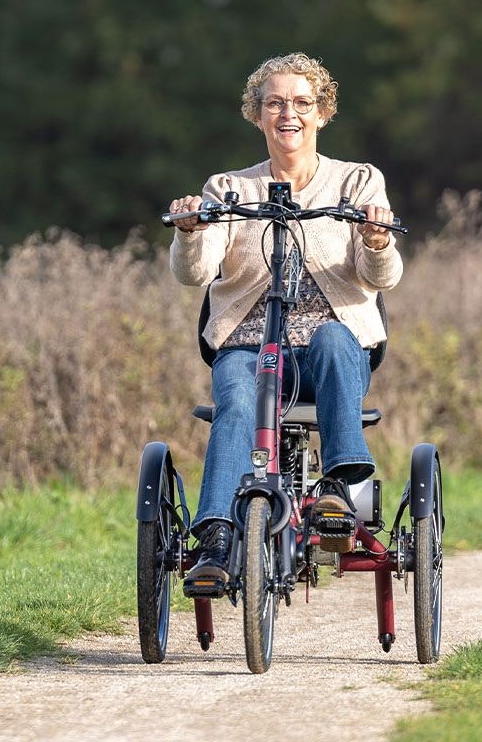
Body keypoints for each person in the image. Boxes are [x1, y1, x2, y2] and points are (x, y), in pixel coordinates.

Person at [167, 52, 402, 594]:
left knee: (334, 338)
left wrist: (376, 239)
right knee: (235, 403)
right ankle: (218, 541)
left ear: (322, 112)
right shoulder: (228, 190)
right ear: (257, 114)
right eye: (275, 103)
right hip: (249, 345)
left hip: (330, 346)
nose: (288, 113)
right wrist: (188, 233)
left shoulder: (358, 181)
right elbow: (196, 272)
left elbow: (381, 277)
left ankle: (340, 491)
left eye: (301, 103)